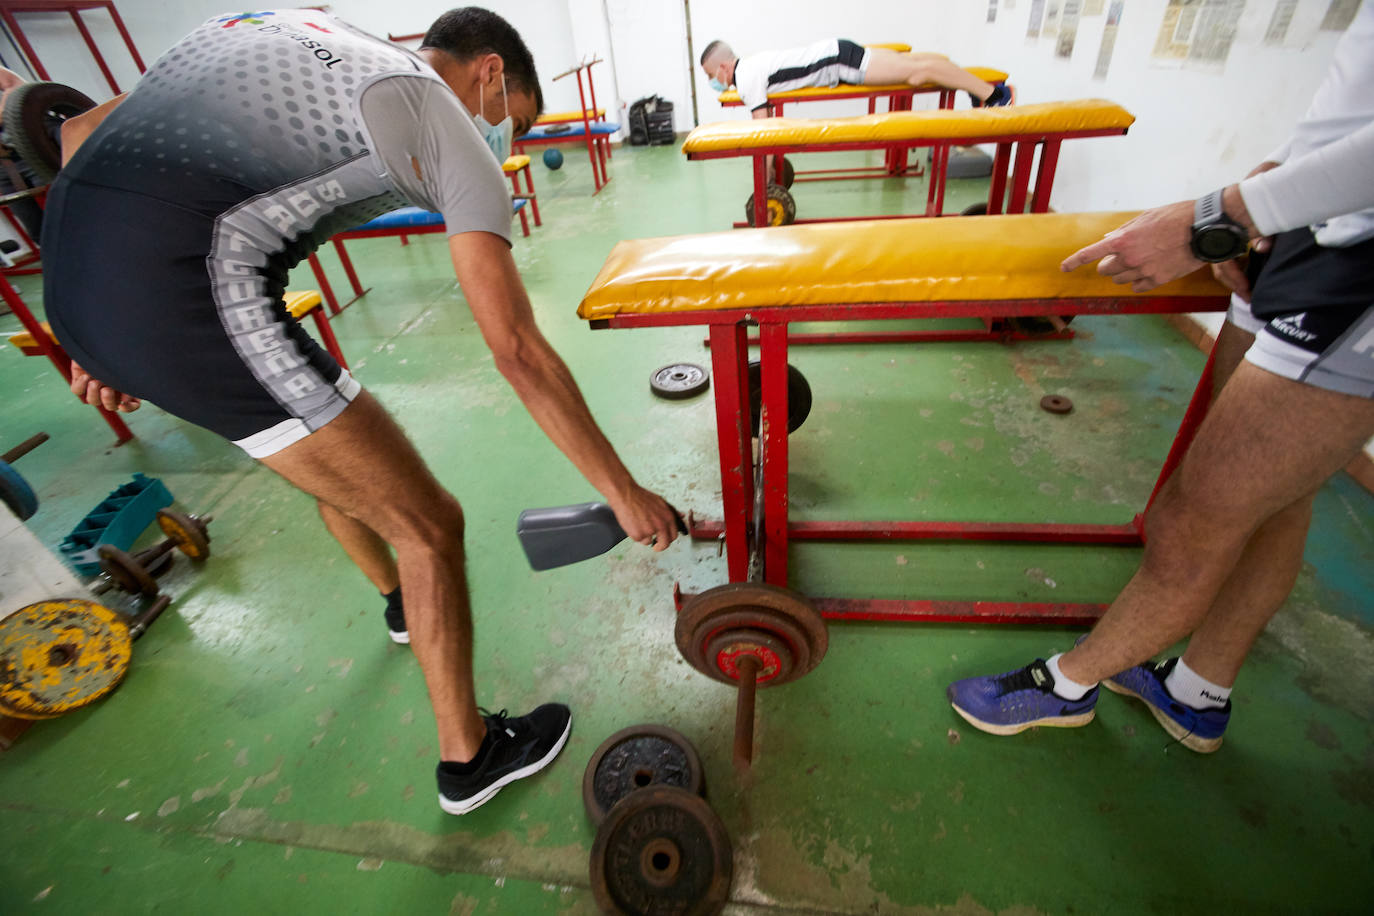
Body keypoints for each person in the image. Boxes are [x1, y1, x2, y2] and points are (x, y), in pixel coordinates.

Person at [48, 7, 681, 813]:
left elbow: (77, 137)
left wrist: (96, 328)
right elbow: (517, 348)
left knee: (334, 434)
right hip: (188, 291)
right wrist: (623, 493)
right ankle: (470, 759)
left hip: (74, 273)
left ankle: (398, 605)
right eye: (509, 121)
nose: (505, 145)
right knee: (430, 524)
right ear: (488, 71)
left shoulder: (296, 26)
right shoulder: (445, 123)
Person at [946, 6, 1374, 753]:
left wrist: (1218, 215)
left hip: (1353, 271)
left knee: (1192, 518)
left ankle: (1068, 685)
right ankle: (1196, 692)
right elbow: (1350, 102)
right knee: (1277, 501)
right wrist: (1266, 192)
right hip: (1305, 225)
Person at [699, 39, 1013, 118]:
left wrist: (765, 180)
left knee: (918, 74)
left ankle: (995, 95)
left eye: (711, 75)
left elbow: (763, 131)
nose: (713, 81)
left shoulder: (746, 75)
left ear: (724, 67)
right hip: (838, 51)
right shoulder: (751, 64)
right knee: (913, 64)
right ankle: (981, 90)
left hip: (840, 62)